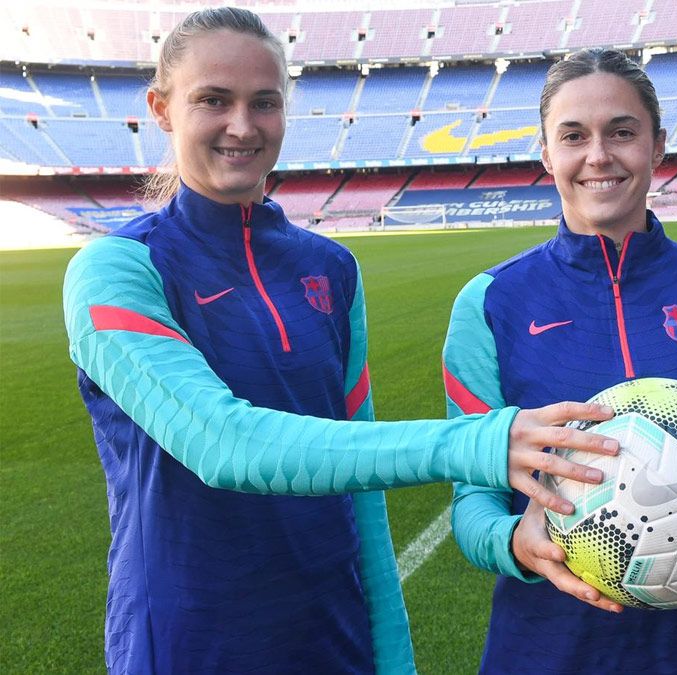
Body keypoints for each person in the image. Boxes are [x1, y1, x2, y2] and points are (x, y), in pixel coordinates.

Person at [62, 9, 618, 674]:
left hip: (335, 638)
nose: (242, 125)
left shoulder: (329, 270)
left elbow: (364, 510)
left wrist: (394, 658)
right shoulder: (118, 270)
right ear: (160, 108)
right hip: (188, 642)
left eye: (264, 102)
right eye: (213, 99)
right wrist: (477, 439)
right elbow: (223, 443)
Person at [442, 48, 677, 674]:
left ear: (656, 146)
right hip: (542, 651)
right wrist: (513, 541)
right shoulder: (491, 304)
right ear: (546, 154)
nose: (598, 155)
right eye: (574, 136)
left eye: (621, 132)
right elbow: (471, 502)